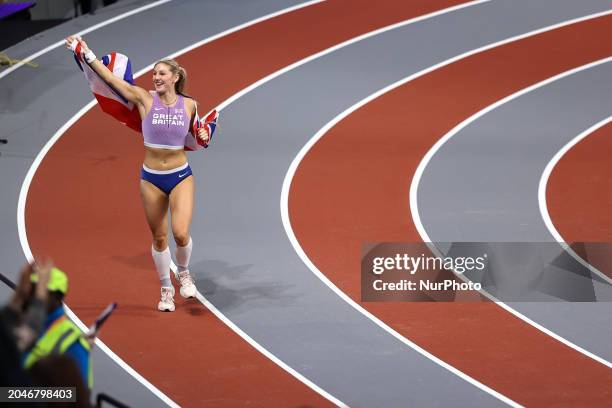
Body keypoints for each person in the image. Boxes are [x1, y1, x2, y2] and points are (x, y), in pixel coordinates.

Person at [65, 36, 207, 312]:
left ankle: (185, 273)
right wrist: (87, 53)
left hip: (180, 175)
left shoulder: (190, 105)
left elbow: (196, 135)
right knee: (159, 238)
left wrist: (201, 133)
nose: (155, 77)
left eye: (161, 73)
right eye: (154, 73)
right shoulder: (143, 98)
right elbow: (111, 80)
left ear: (176, 77)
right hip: (151, 178)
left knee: (180, 233)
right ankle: (166, 288)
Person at [22, 267, 93, 389]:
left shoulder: (73, 342)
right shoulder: (25, 323)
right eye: (33, 290)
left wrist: (15, 395)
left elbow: (78, 394)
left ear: (56, 297)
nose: (34, 296)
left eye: (40, 292)